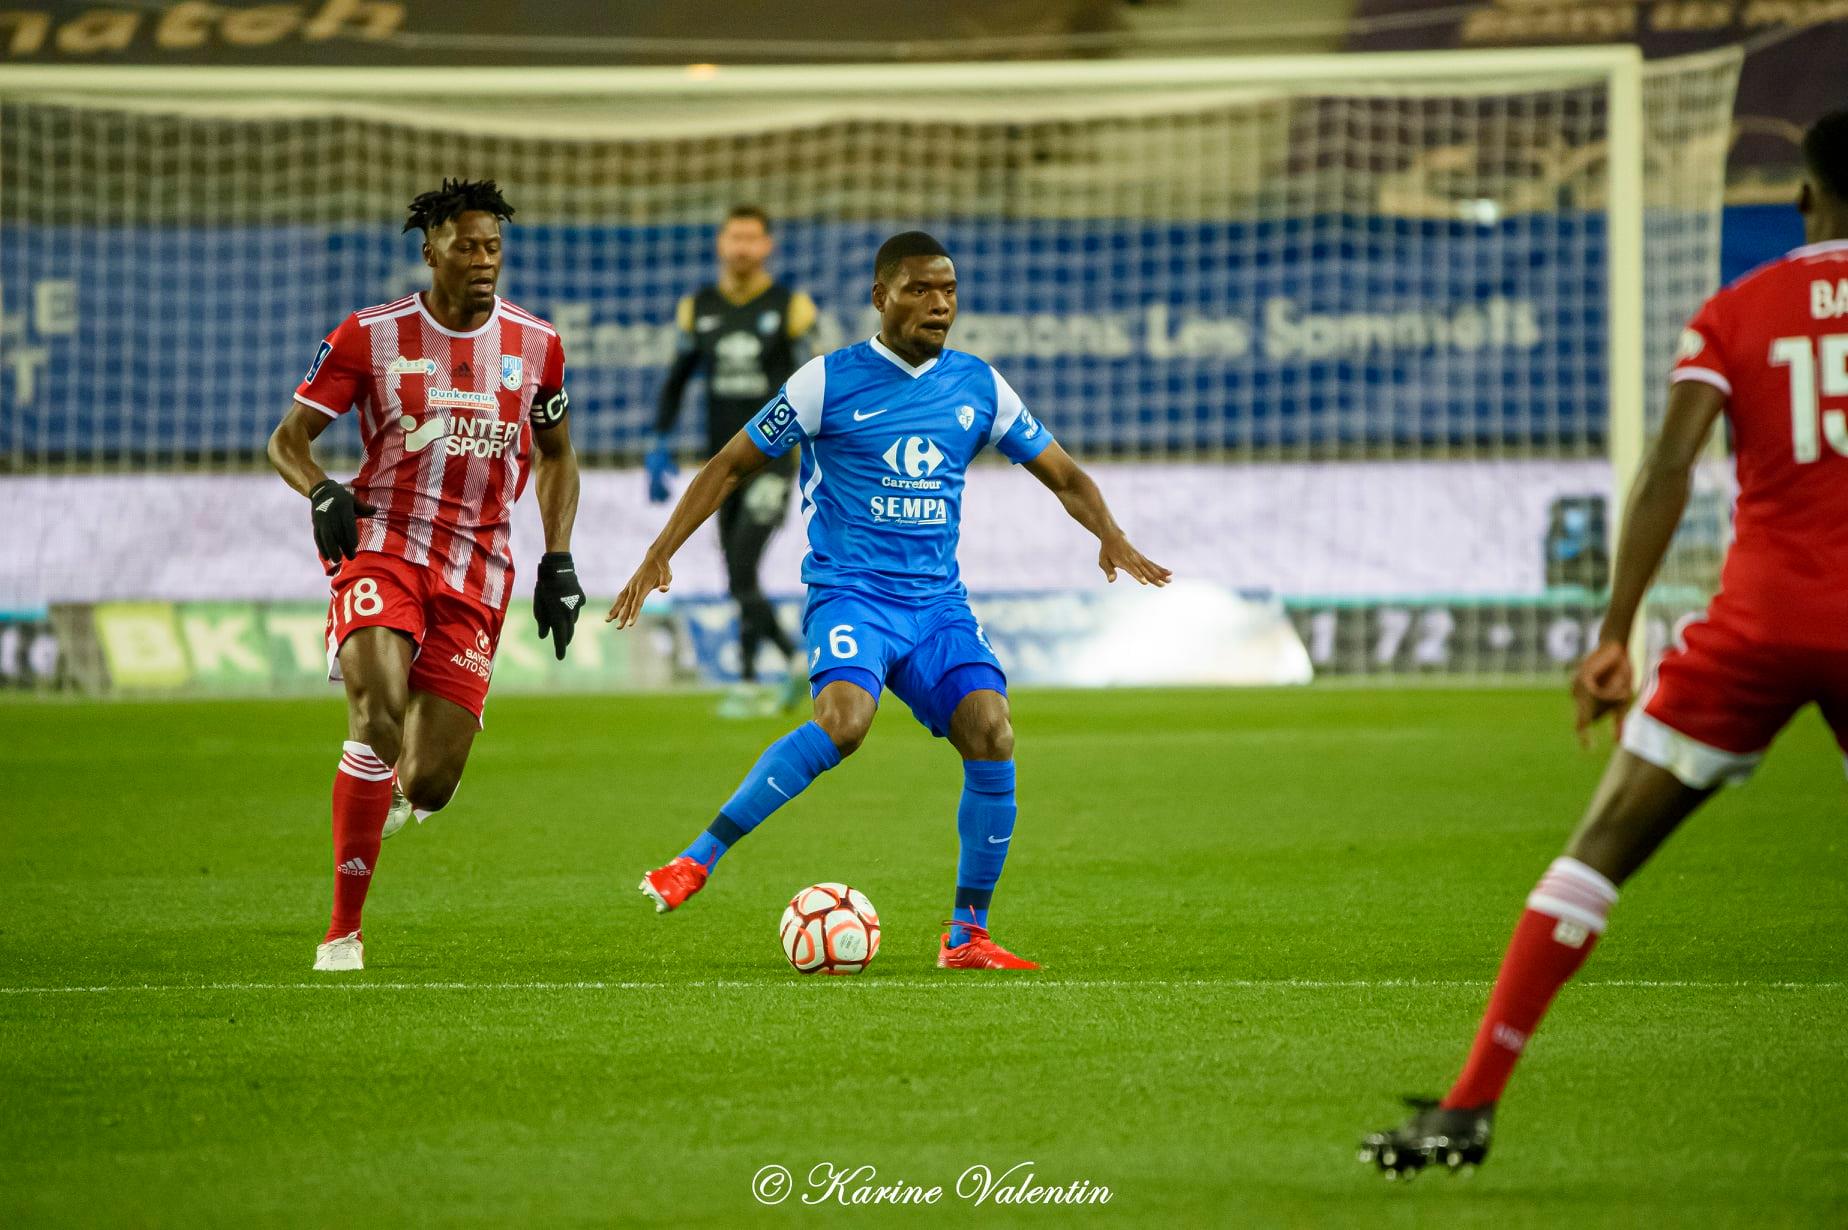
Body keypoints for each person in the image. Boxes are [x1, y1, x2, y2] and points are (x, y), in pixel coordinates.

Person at [1360, 108, 1848, 1175]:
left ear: (1803, 200)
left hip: (1758, 628)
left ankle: (1468, 1107)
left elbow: (1669, 469)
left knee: (1599, 852)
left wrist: (1616, 632)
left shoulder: (1737, 311)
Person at [610, 230, 1170, 969]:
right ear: (880, 298)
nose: (940, 304)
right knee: (844, 723)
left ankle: (967, 934)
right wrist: (660, 551)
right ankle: (697, 859)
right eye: (920, 290)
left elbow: (1064, 475)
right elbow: (731, 464)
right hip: (853, 595)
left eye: (950, 291)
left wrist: (1111, 534)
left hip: (937, 606)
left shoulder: (980, 386)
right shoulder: (825, 382)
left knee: (993, 732)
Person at [267, 178, 585, 972]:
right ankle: (344, 931)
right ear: (430, 249)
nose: (483, 261)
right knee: (376, 714)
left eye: (494, 247)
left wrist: (558, 558)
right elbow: (288, 438)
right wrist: (322, 489)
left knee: (432, 782)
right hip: (383, 544)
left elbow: (556, 456)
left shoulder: (537, 346)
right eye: (467, 245)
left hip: (478, 568)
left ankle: (391, 792)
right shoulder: (369, 336)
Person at [649, 205, 818, 716]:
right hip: (722, 464)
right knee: (736, 575)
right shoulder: (697, 307)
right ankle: (747, 681)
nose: (743, 247)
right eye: (734, 238)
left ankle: (793, 661)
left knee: (743, 567)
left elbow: (811, 382)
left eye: (752, 238)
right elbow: (678, 378)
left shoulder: (792, 307)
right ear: (721, 244)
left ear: (767, 246)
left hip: (773, 460)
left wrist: (814, 448)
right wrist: (659, 439)